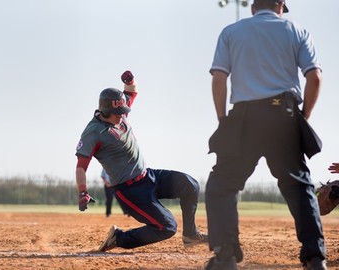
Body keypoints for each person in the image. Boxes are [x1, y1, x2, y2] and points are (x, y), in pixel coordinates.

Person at [205, 1, 326, 269]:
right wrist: (301, 118)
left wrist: (224, 120)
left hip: (244, 117)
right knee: (299, 186)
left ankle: (225, 254)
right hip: (285, 114)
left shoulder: (231, 31)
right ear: (281, 5)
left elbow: (218, 78)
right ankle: (315, 258)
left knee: (222, 184)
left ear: (253, 7)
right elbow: (314, 77)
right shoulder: (297, 30)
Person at [75, 70, 207, 252]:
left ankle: (191, 235)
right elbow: (81, 167)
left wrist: (130, 80)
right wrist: (83, 192)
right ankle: (119, 238)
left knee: (190, 185)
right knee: (167, 227)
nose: (122, 115)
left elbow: (131, 91)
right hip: (129, 191)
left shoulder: (119, 113)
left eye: (123, 110)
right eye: (117, 112)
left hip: (148, 176)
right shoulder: (93, 132)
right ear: (106, 111)